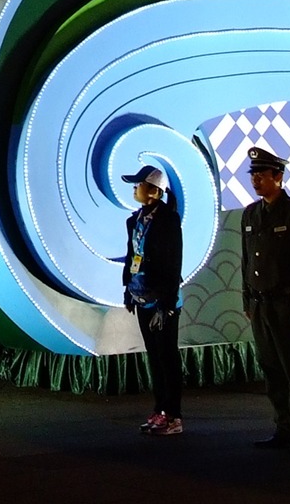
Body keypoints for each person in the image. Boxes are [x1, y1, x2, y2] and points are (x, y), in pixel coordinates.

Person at [241, 146, 290, 450]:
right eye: (253, 175)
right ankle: (283, 426)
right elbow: (247, 261)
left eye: (261, 174)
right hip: (261, 305)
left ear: (278, 176)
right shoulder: (251, 214)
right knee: (271, 368)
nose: (256, 180)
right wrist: (247, 300)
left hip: (287, 305)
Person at [121, 164, 184, 435]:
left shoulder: (168, 221)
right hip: (141, 296)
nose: (135, 189)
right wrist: (128, 289)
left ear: (154, 192)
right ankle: (159, 410)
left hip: (162, 300)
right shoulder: (135, 220)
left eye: (139, 184)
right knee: (155, 358)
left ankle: (174, 416)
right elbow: (132, 255)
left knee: (167, 357)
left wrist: (167, 304)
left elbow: (173, 263)